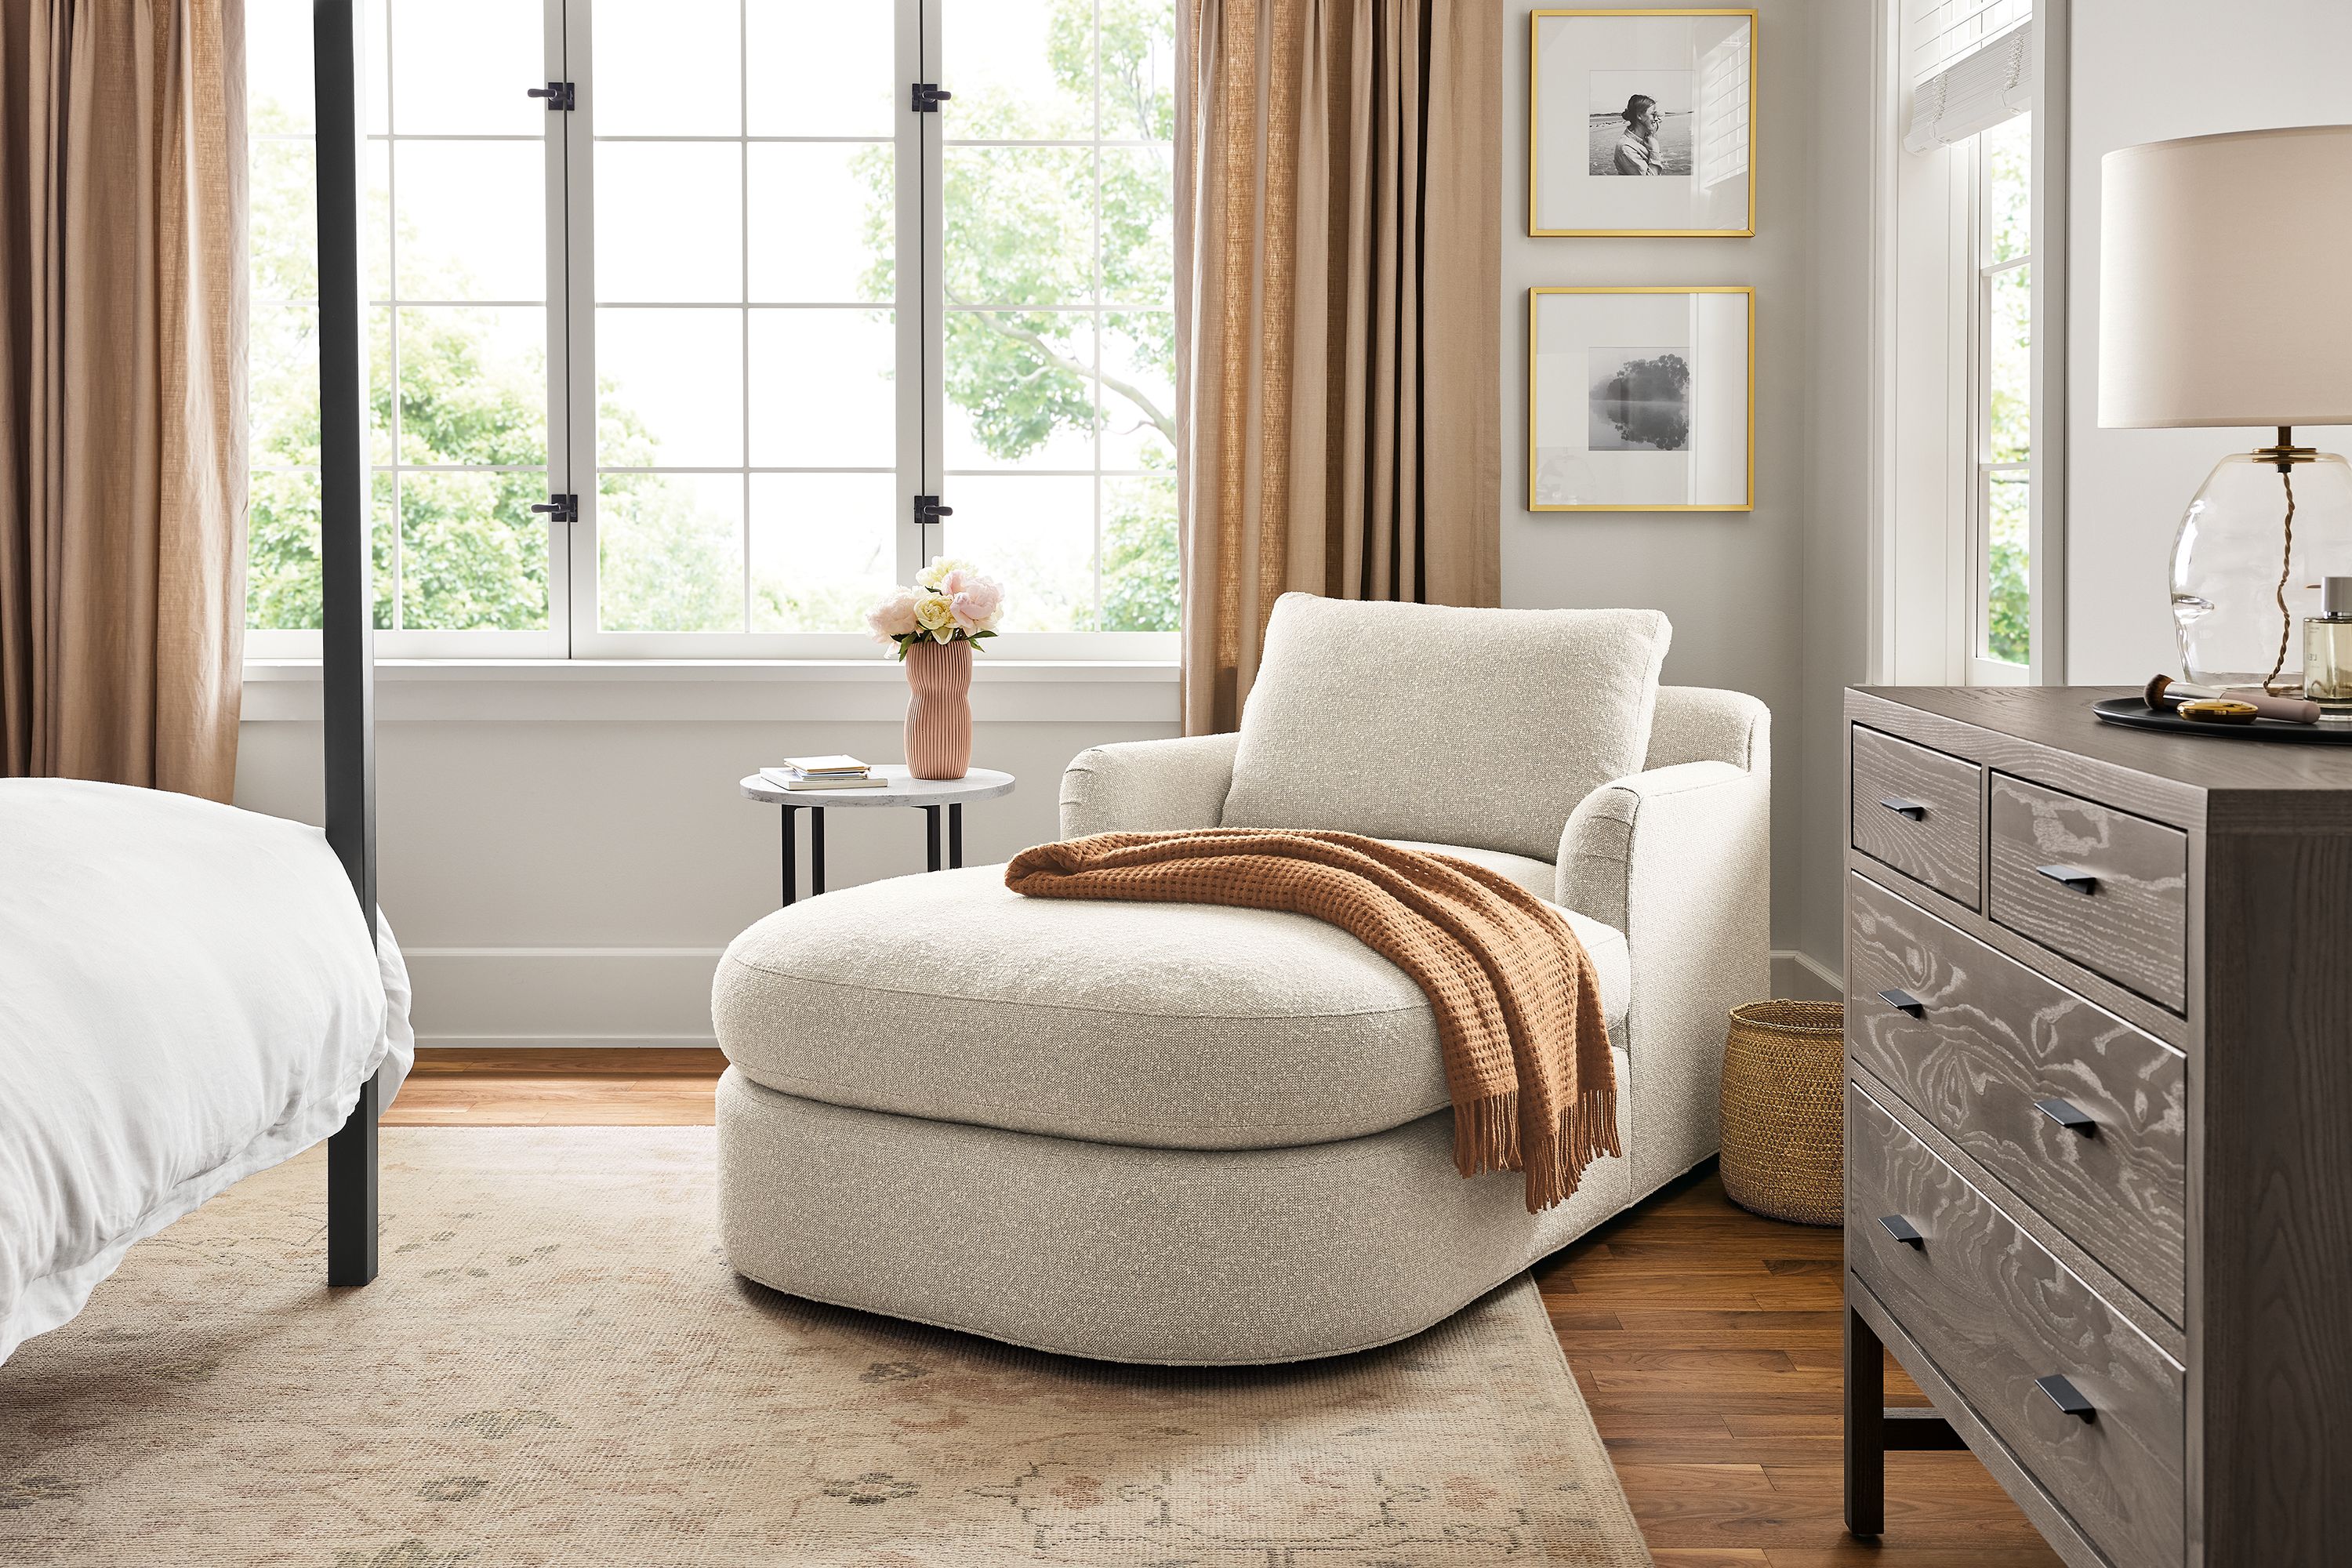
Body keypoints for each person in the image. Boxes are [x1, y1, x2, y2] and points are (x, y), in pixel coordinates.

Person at [1613, 94, 1666, 176]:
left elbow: (1661, 115)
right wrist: (1655, 149)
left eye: (1655, 114)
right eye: (1653, 114)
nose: (1656, 119)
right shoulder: (1626, 148)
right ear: (1639, 116)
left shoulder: (1649, 129)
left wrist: (1653, 111)